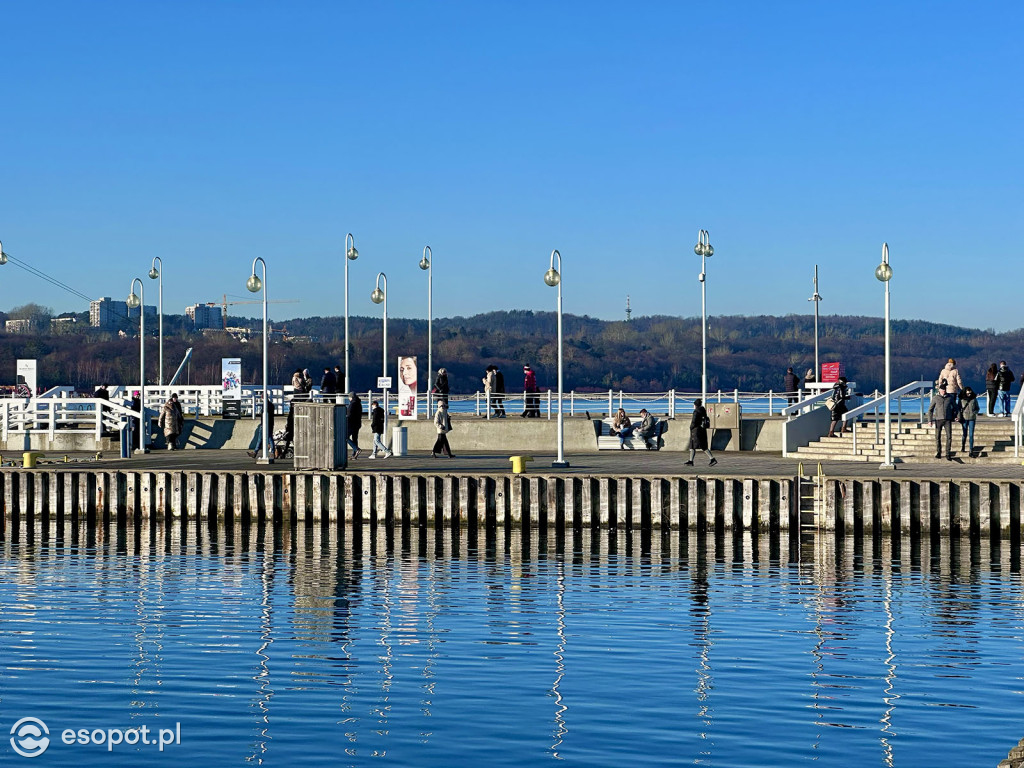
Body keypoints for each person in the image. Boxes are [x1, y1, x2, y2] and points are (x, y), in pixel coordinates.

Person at [684, 398, 717, 467]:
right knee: (696, 445)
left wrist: (691, 427)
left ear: (695, 405)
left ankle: (712, 459)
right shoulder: (703, 410)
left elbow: (694, 421)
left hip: (696, 431)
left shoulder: (696, 412)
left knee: (700, 445)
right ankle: (691, 461)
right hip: (702, 430)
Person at [928, 382, 955, 460]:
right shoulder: (935, 398)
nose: (943, 391)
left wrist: (956, 416)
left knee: (949, 437)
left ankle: (948, 453)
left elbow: (955, 408)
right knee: (937, 437)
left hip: (947, 420)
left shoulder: (950, 398)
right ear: (939, 390)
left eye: (944, 389)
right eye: (942, 389)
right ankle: (939, 452)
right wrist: (930, 420)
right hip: (938, 420)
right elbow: (930, 410)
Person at [959, 386, 979, 458]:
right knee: (964, 434)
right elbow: (959, 409)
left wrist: (975, 412)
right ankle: (963, 446)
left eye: (970, 393)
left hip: (972, 418)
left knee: (971, 434)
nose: (969, 395)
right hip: (964, 418)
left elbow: (977, 408)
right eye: (968, 393)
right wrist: (958, 417)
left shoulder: (974, 399)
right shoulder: (961, 400)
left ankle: (971, 450)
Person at [346, 392, 363, 459]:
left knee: (346, 437)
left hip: (352, 423)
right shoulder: (359, 403)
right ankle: (354, 454)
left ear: (351, 397)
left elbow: (349, 414)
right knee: (355, 438)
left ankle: (356, 449)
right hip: (358, 423)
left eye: (349, 398)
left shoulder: (352, 404)